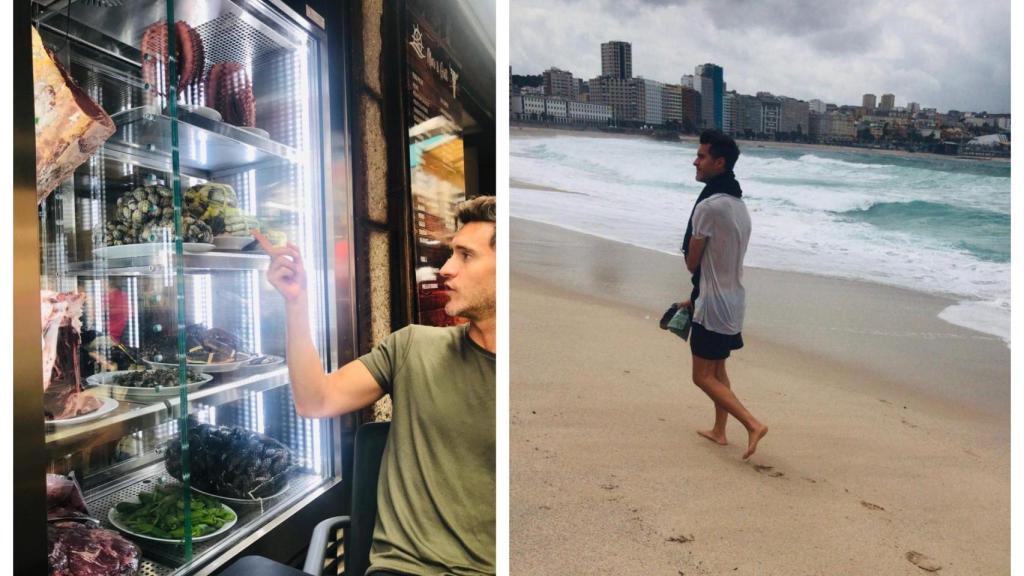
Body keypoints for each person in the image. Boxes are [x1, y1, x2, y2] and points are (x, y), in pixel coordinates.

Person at [266, 196, 496, 575]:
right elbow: (314, 401)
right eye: (450, 253)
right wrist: (296, 302)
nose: (446, 268)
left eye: (465, 255)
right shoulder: (412, 347)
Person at [680, 130, 767, 460]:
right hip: (733, 301)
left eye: (701, 156)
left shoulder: (709, 206)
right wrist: (695, 297)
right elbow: (720, 260)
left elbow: (693, 262)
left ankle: (752, 423)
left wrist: (699, 293)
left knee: (701, 376)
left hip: (713, 305)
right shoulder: (739, 206)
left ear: (720, 162)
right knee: (717, 371)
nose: (695, 161)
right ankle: (719, 431)